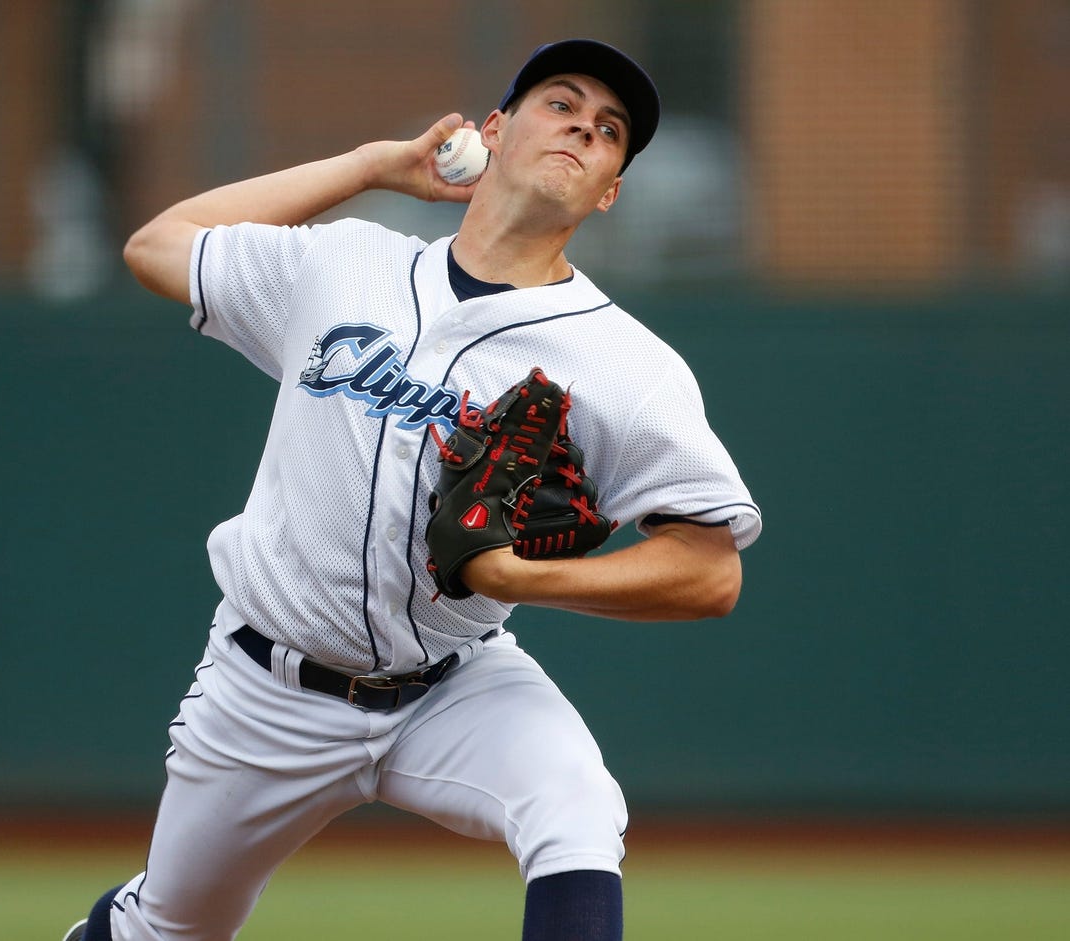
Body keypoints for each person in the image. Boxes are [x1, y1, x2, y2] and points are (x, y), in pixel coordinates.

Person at [62, 37, 761, 941]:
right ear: (496, 131)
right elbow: (158, 245)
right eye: (564, 104)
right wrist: (365, 169)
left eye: (610, 130)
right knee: (171, 928)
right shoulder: (343, 266)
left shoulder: (627, 366)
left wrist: (522, 580)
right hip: (265, 686)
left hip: (453, 684)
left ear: (609, 189)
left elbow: (710, 572)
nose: (585, 128)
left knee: (578, 808)